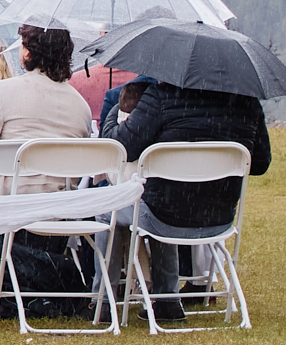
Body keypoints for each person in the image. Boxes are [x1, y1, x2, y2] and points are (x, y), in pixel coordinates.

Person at [111, 77, 272, 325]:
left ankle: (103, 302)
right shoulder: (246, 103)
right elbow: (259, 163)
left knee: (108, 212)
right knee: (164, 204)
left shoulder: (162, 97)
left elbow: (123, 147)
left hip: (165, 214)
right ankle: (166, 302)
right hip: (218, 217)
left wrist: (114, 114)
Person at [0, 26, 93, 190]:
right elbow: (80, 168)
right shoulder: (81, 106)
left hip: (3, 205)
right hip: (57, 206)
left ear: (27, 52)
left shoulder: (1, 92)